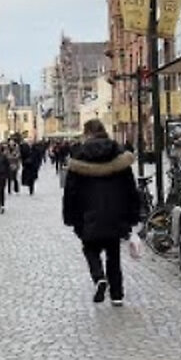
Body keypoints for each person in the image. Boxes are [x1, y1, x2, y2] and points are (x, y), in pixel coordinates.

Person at [62, 119, 141, 306]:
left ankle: (99, 277)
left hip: (87, 214)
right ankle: (117, 295)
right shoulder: (118, 153)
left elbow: (71, 191)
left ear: (87, 133)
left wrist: (70, 217)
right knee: (113, 254)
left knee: (90, 248)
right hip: (115, 213)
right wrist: (133, 214)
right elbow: (130, 188)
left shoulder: (79, 156)